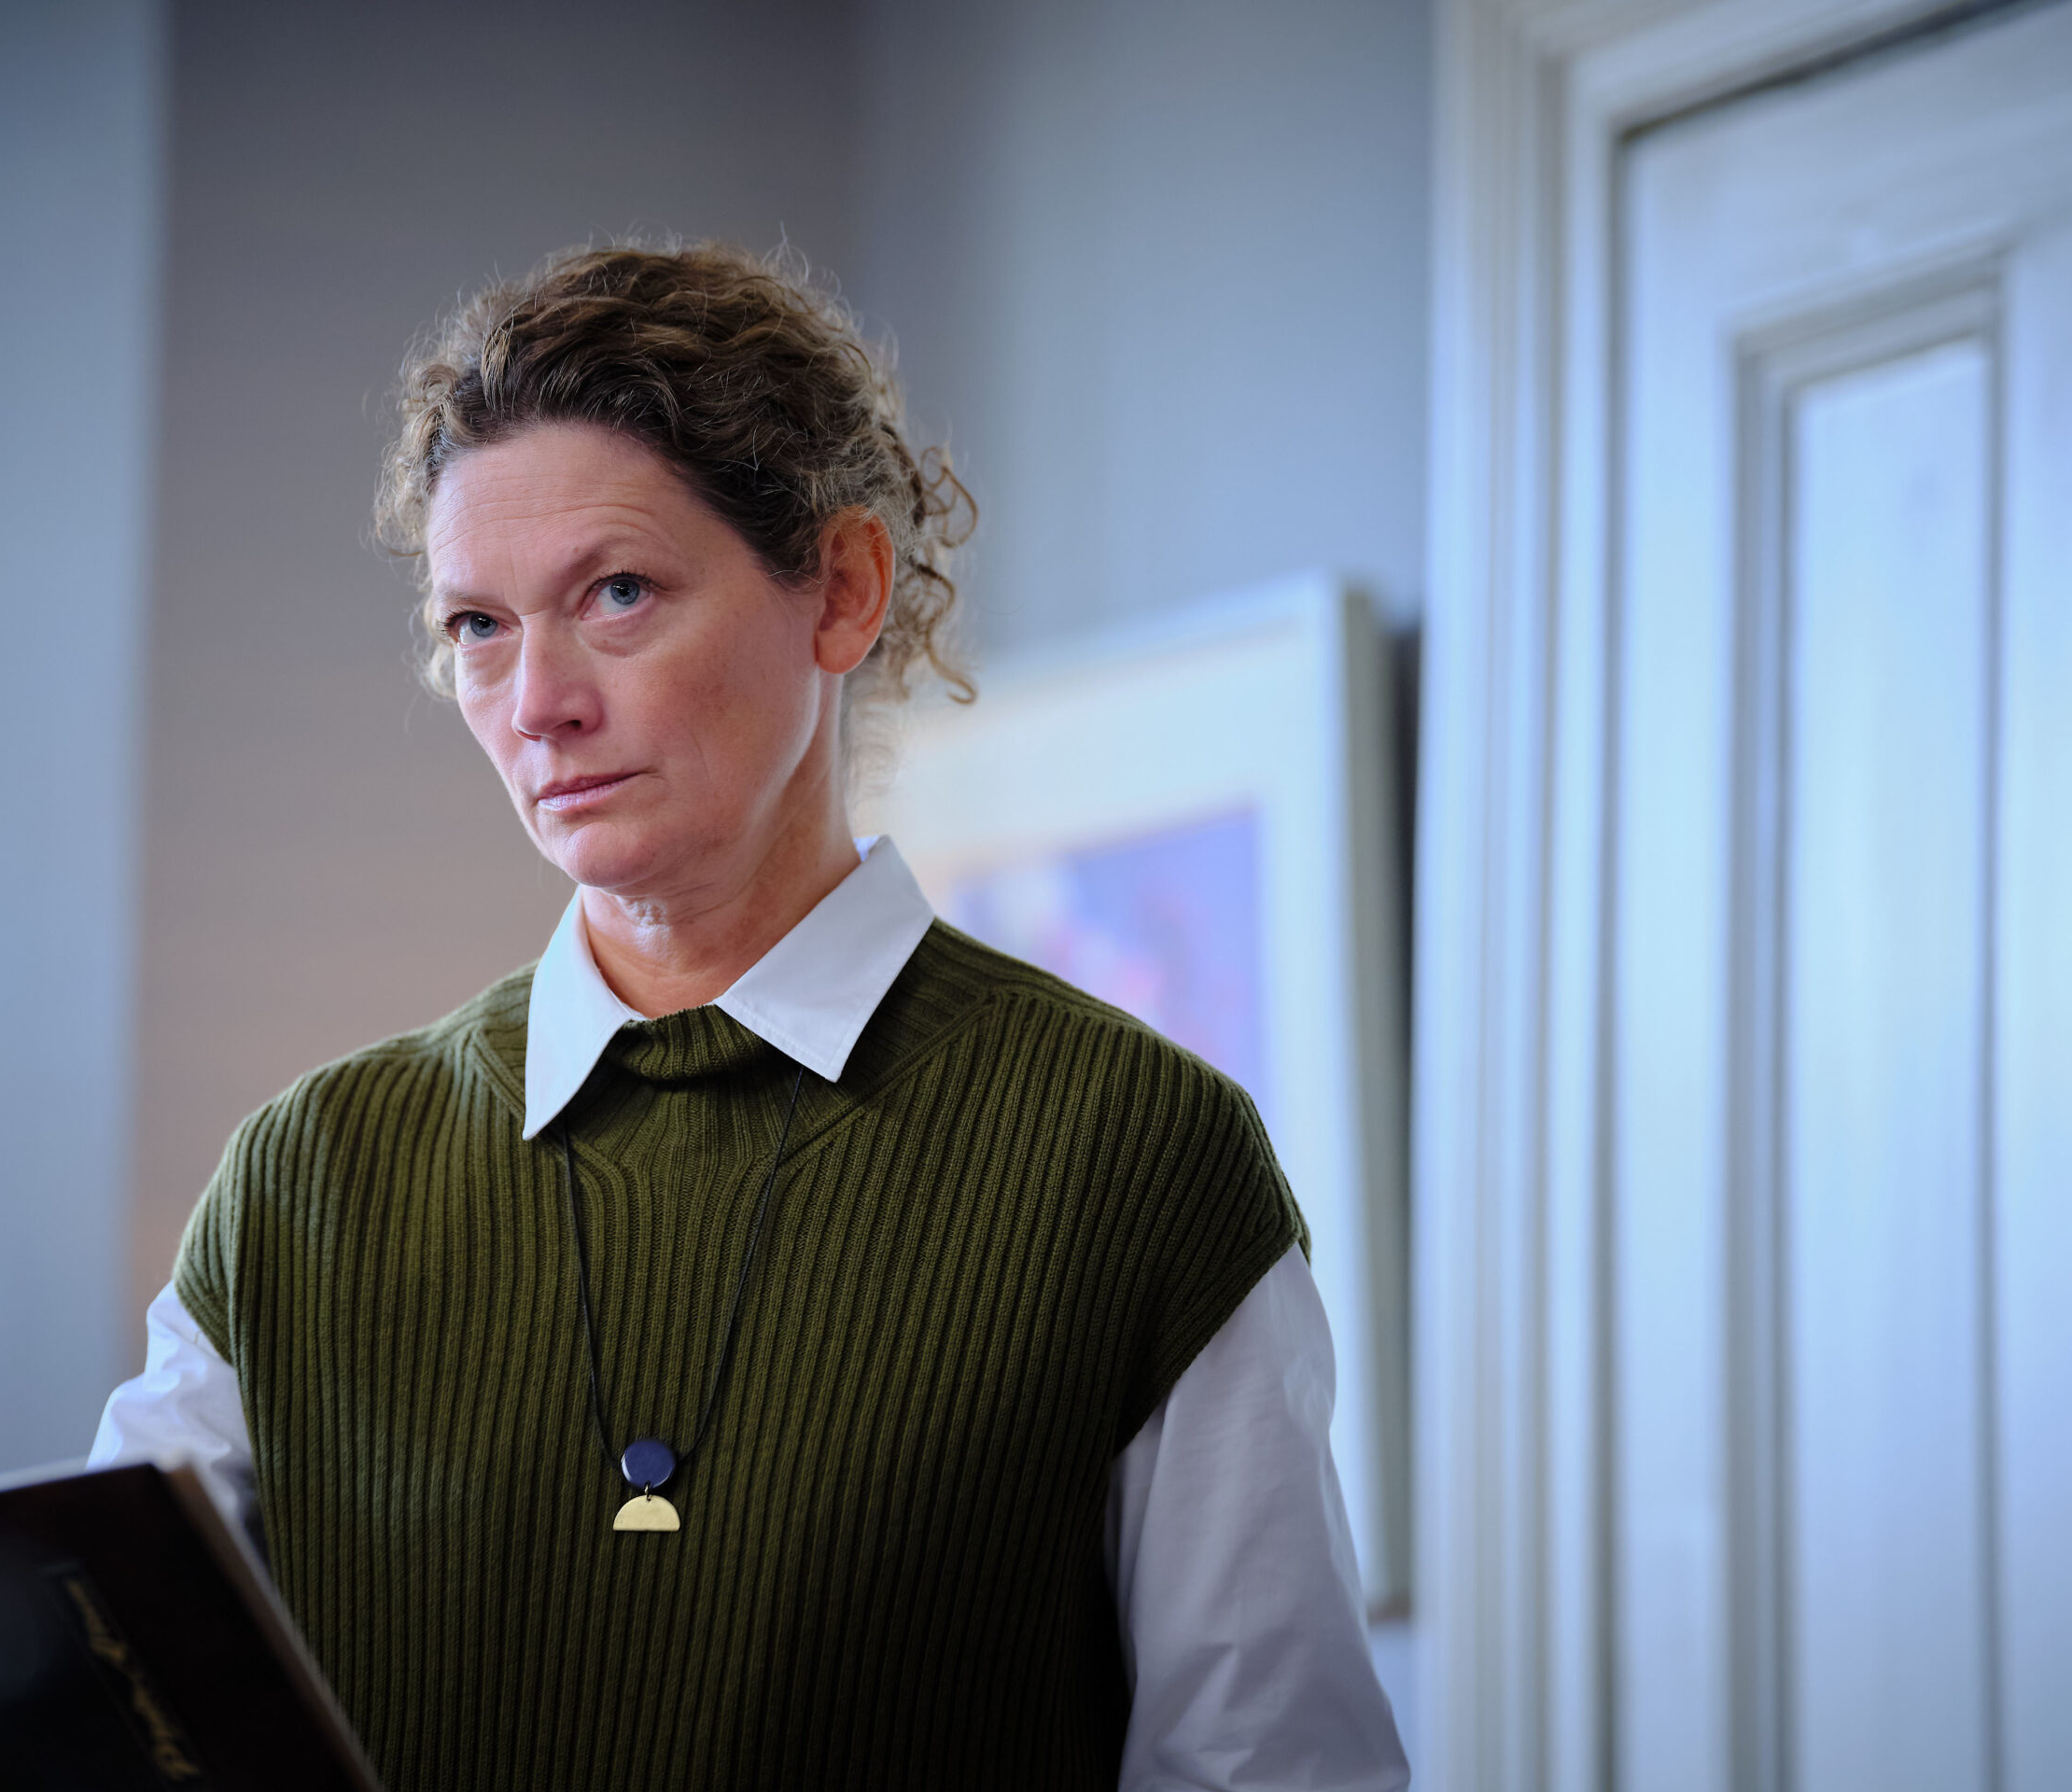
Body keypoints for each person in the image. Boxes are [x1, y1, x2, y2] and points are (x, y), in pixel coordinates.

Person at [91, 240, 1407, 1791]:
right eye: (478, 628)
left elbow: (1269, 1772)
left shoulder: (1138, 1157)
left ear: (842, 592)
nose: (538, 705)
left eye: (619, 593)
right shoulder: (304, 1179)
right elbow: (103, 1712)